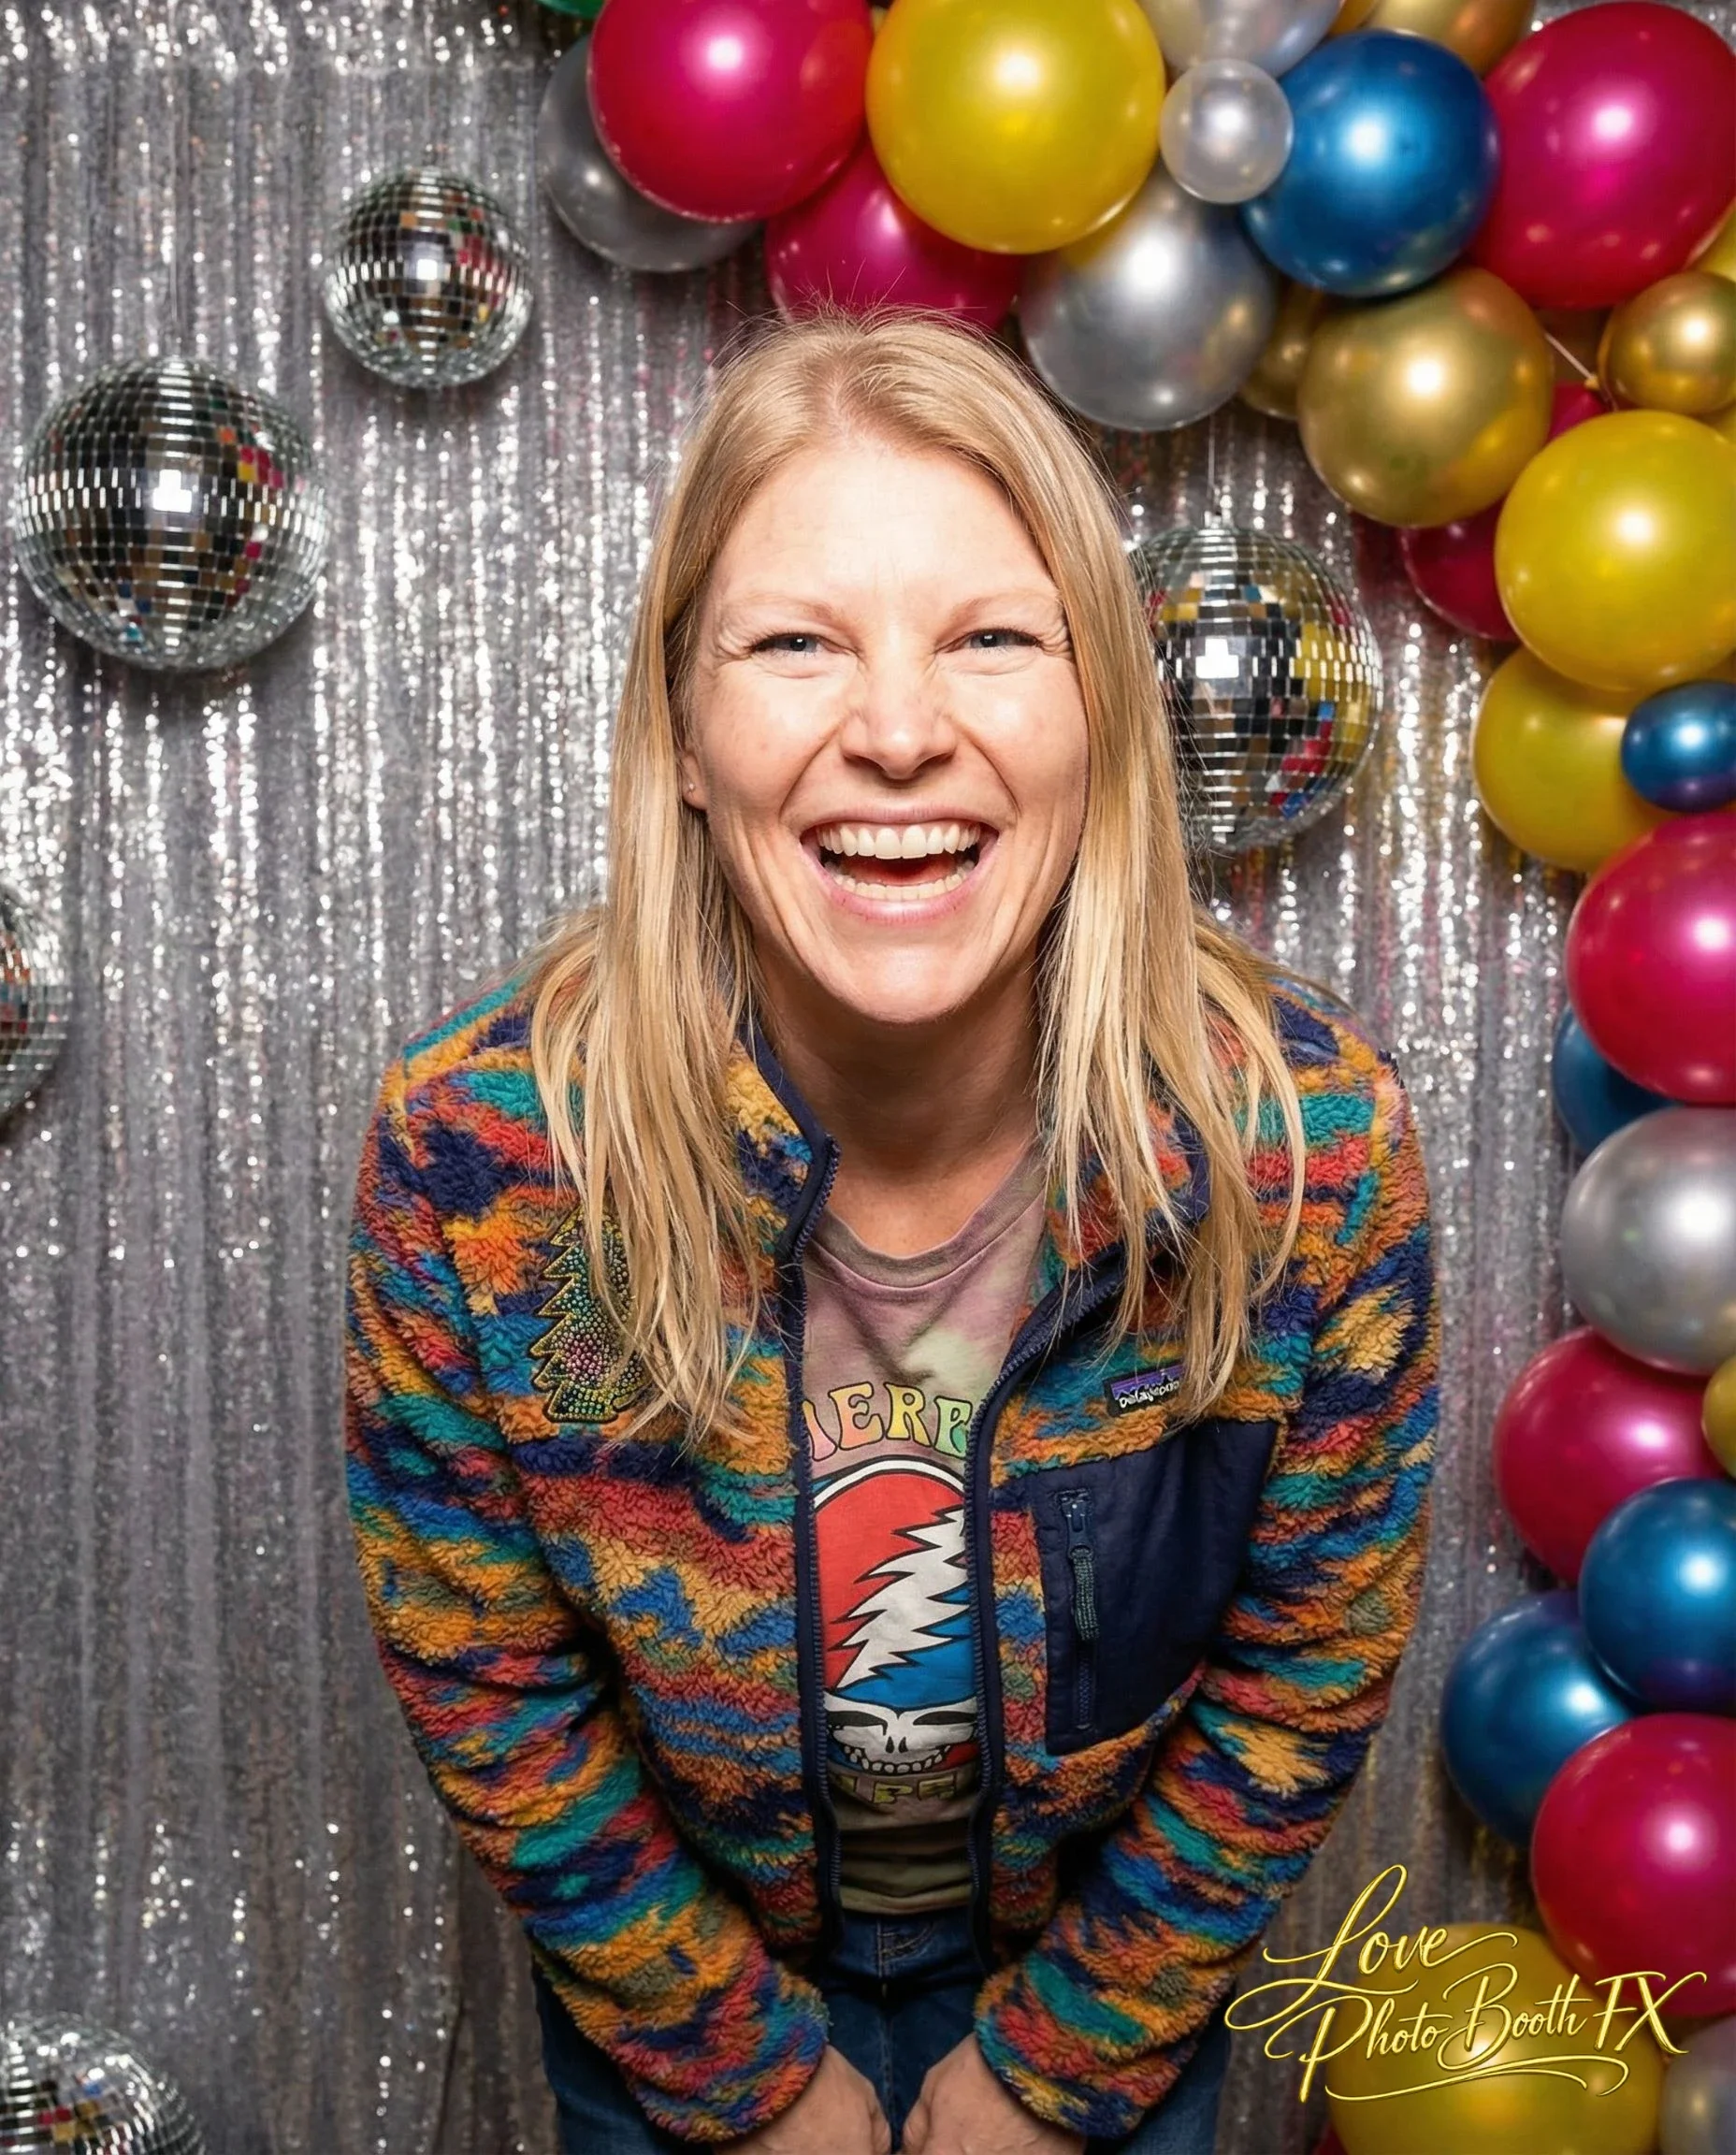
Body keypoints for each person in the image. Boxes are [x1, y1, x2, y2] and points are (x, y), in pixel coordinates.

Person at [344, 308, 1439, 2155]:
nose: (903, 732)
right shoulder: (476, 1159)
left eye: (993, 640)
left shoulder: (1304, 1153)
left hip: (1103, 1993)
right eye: (794, 646)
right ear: (684, 728)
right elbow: (489, 1680)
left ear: (1097, 711)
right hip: (677, 2003)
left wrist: (1058, 2069)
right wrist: (747, 2082)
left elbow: (1301, 1663)